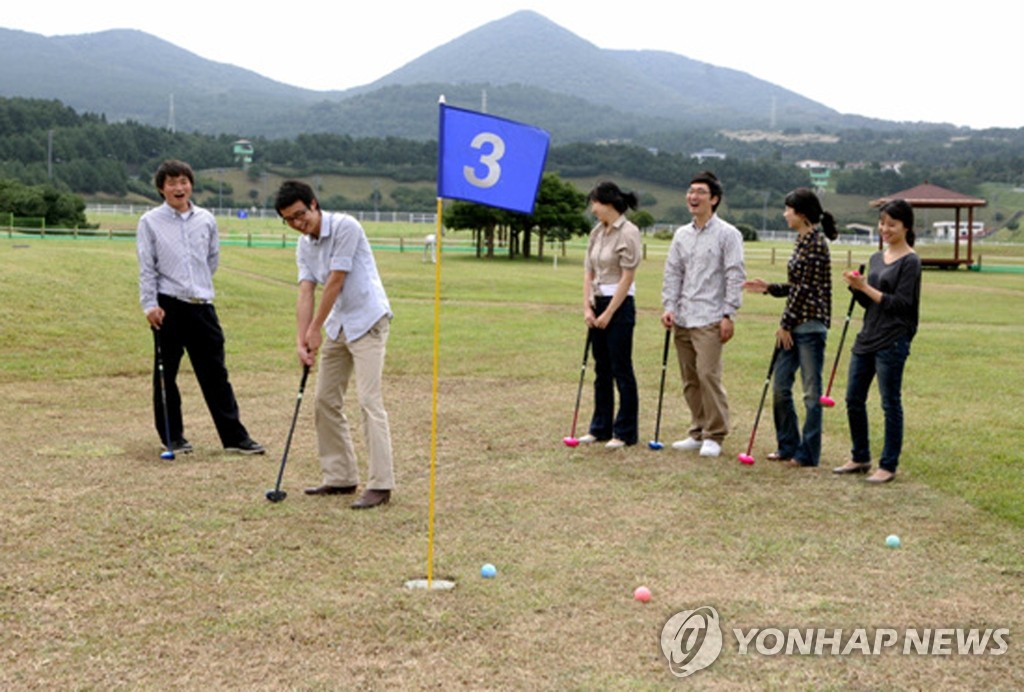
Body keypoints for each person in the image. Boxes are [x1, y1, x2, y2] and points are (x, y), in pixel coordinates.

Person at [274, 180, 395, 509]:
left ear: (314, 204)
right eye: (290, 220)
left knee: (369, 401)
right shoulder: (304, 246)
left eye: (301, 215)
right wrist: (302, 340)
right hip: (339, 325)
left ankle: (381, 485)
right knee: (325, 400)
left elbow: (336, 282)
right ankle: (340, 476)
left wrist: (315, 329)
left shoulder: (345, 227)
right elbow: (305, 290)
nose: (299, 224)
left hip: (368, 320)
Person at [136, 159, 264, 456]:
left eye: (183, 181)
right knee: (166, 375)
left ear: (191, 184)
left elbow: (212, 259)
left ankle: (234, 437)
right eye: (171, 183)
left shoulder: (206, 219)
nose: (179, 188)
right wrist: (150, 305)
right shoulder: (150, 222)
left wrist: (198, 286)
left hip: (202, 306)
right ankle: (173, 437)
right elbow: (147, 267)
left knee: (216, 373)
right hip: (167, 305)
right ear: (161, 188)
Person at [743, 188, 837, 468]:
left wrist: (785, 324)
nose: (784, 214)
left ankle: (807, 454)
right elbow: (797, 287)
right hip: (795, 324)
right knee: (781, 386)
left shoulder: (817, 244)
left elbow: (805, 290)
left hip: (809, 327)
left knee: (811, 392)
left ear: (802, 214)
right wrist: (769, 288)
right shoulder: (802, 240)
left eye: (788, 209)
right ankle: (788, 445)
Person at [833, 199, 922, 484]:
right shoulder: (875, 258)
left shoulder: (910, 261)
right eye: (882, 223)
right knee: (853, 398)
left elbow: (901, 304)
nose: (884, 229)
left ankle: (888, 464)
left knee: (889, 402)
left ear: (906, 227)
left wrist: (866, 288)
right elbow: (870, 304)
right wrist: (856, 288)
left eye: (891, 224)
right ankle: (860, 456)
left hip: (893, 339)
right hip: (868, 335)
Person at [661, 171, 746, 458]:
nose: (692, 197)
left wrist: (728, 313)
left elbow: (735, 274)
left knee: (708, 374)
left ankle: (715, 434)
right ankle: (697, 430)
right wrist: (669, 306)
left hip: (711, 316)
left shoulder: (728, 234)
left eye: (700, 192)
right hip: (683, 316)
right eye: (690, 191)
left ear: (714, 199)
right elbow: (673, 272)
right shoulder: (681, 235)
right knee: (689, 379)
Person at [577, 181, 642, 448]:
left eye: (595, 203)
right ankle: (600, 427)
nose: (592, 208)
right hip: (597, 300)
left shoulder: (628, 232)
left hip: (620, 304)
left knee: (620, 367)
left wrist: (609, 313)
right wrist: (587, 307)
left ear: (608, 204)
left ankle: (625, 431)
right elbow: (588, 272)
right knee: (601, 368)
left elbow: (628, 277)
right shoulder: (596, 232)